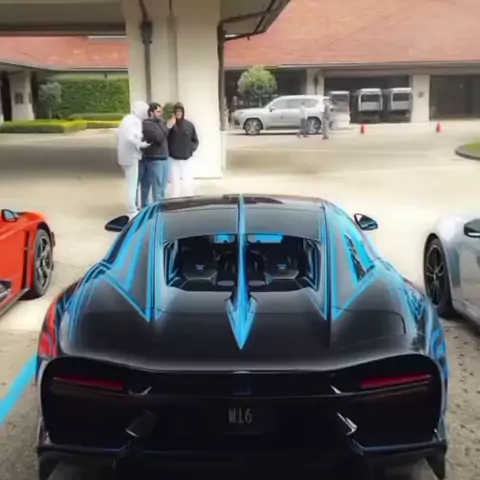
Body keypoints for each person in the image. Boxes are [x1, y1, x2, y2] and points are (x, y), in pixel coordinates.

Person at [116, 101, 149, 217]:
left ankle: (132, 208)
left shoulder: (126, 119)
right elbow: (131, 137)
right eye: (145, 111)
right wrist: (141, 144)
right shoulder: (135, 121)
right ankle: (132, 210)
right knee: (132, 185)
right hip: (132, 157)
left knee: (130, 184)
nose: (146, 115)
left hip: (123, 157)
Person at [138, 102, 170, 207]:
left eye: (161, 111)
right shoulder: (147, 124)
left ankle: (160, 206)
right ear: (151, 112)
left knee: (163, 186)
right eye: (158, 111)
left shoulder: (161, 122)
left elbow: (165, 135)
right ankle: (155, 208)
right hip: (155, 158)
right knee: (156, 186)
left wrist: (164, 126)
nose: (160, 113)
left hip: (164, 157)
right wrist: (166, 127)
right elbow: (159, 138)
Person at [168, 102, 199, 197]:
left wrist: (191, 149)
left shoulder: (189, 125)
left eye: (180, 111)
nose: (178, 113)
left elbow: (195, 140)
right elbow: (165, 138)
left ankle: (189, 197)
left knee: (188, 179)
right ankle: (174, 198)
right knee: (174, 181)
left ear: (183, 112)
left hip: (186, 158)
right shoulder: (170, 126)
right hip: (174, 158)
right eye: (177, 112)